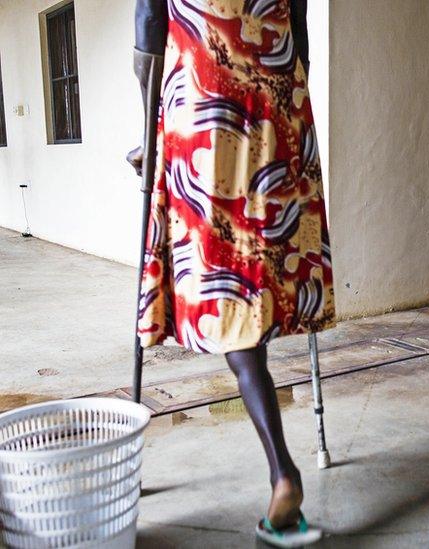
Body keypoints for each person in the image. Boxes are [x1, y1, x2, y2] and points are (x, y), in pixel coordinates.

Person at [130, 1, 333, 545]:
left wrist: (147, 133)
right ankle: (283, 470)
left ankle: (282, 473)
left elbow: (149, 35)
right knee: (258, 252)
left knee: (223, 268)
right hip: (277, 88)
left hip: (204, 85)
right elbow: (300, 33)